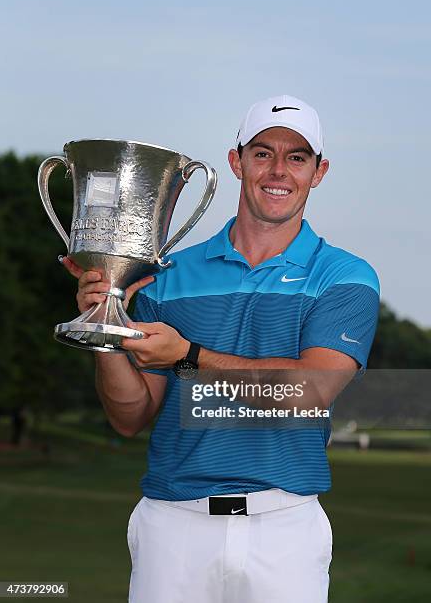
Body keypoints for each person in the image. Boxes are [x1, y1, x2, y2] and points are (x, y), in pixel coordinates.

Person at [62, 94, 380, 603]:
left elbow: (310, 390)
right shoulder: (168, 277)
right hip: (172, 525)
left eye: (297, 157)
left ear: (318, 172)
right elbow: (130, 415)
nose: (278, 170)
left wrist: (188, 356)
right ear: (236, 162)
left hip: (284, 528)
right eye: (262, 153)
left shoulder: (343, 276)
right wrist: (108, 329)